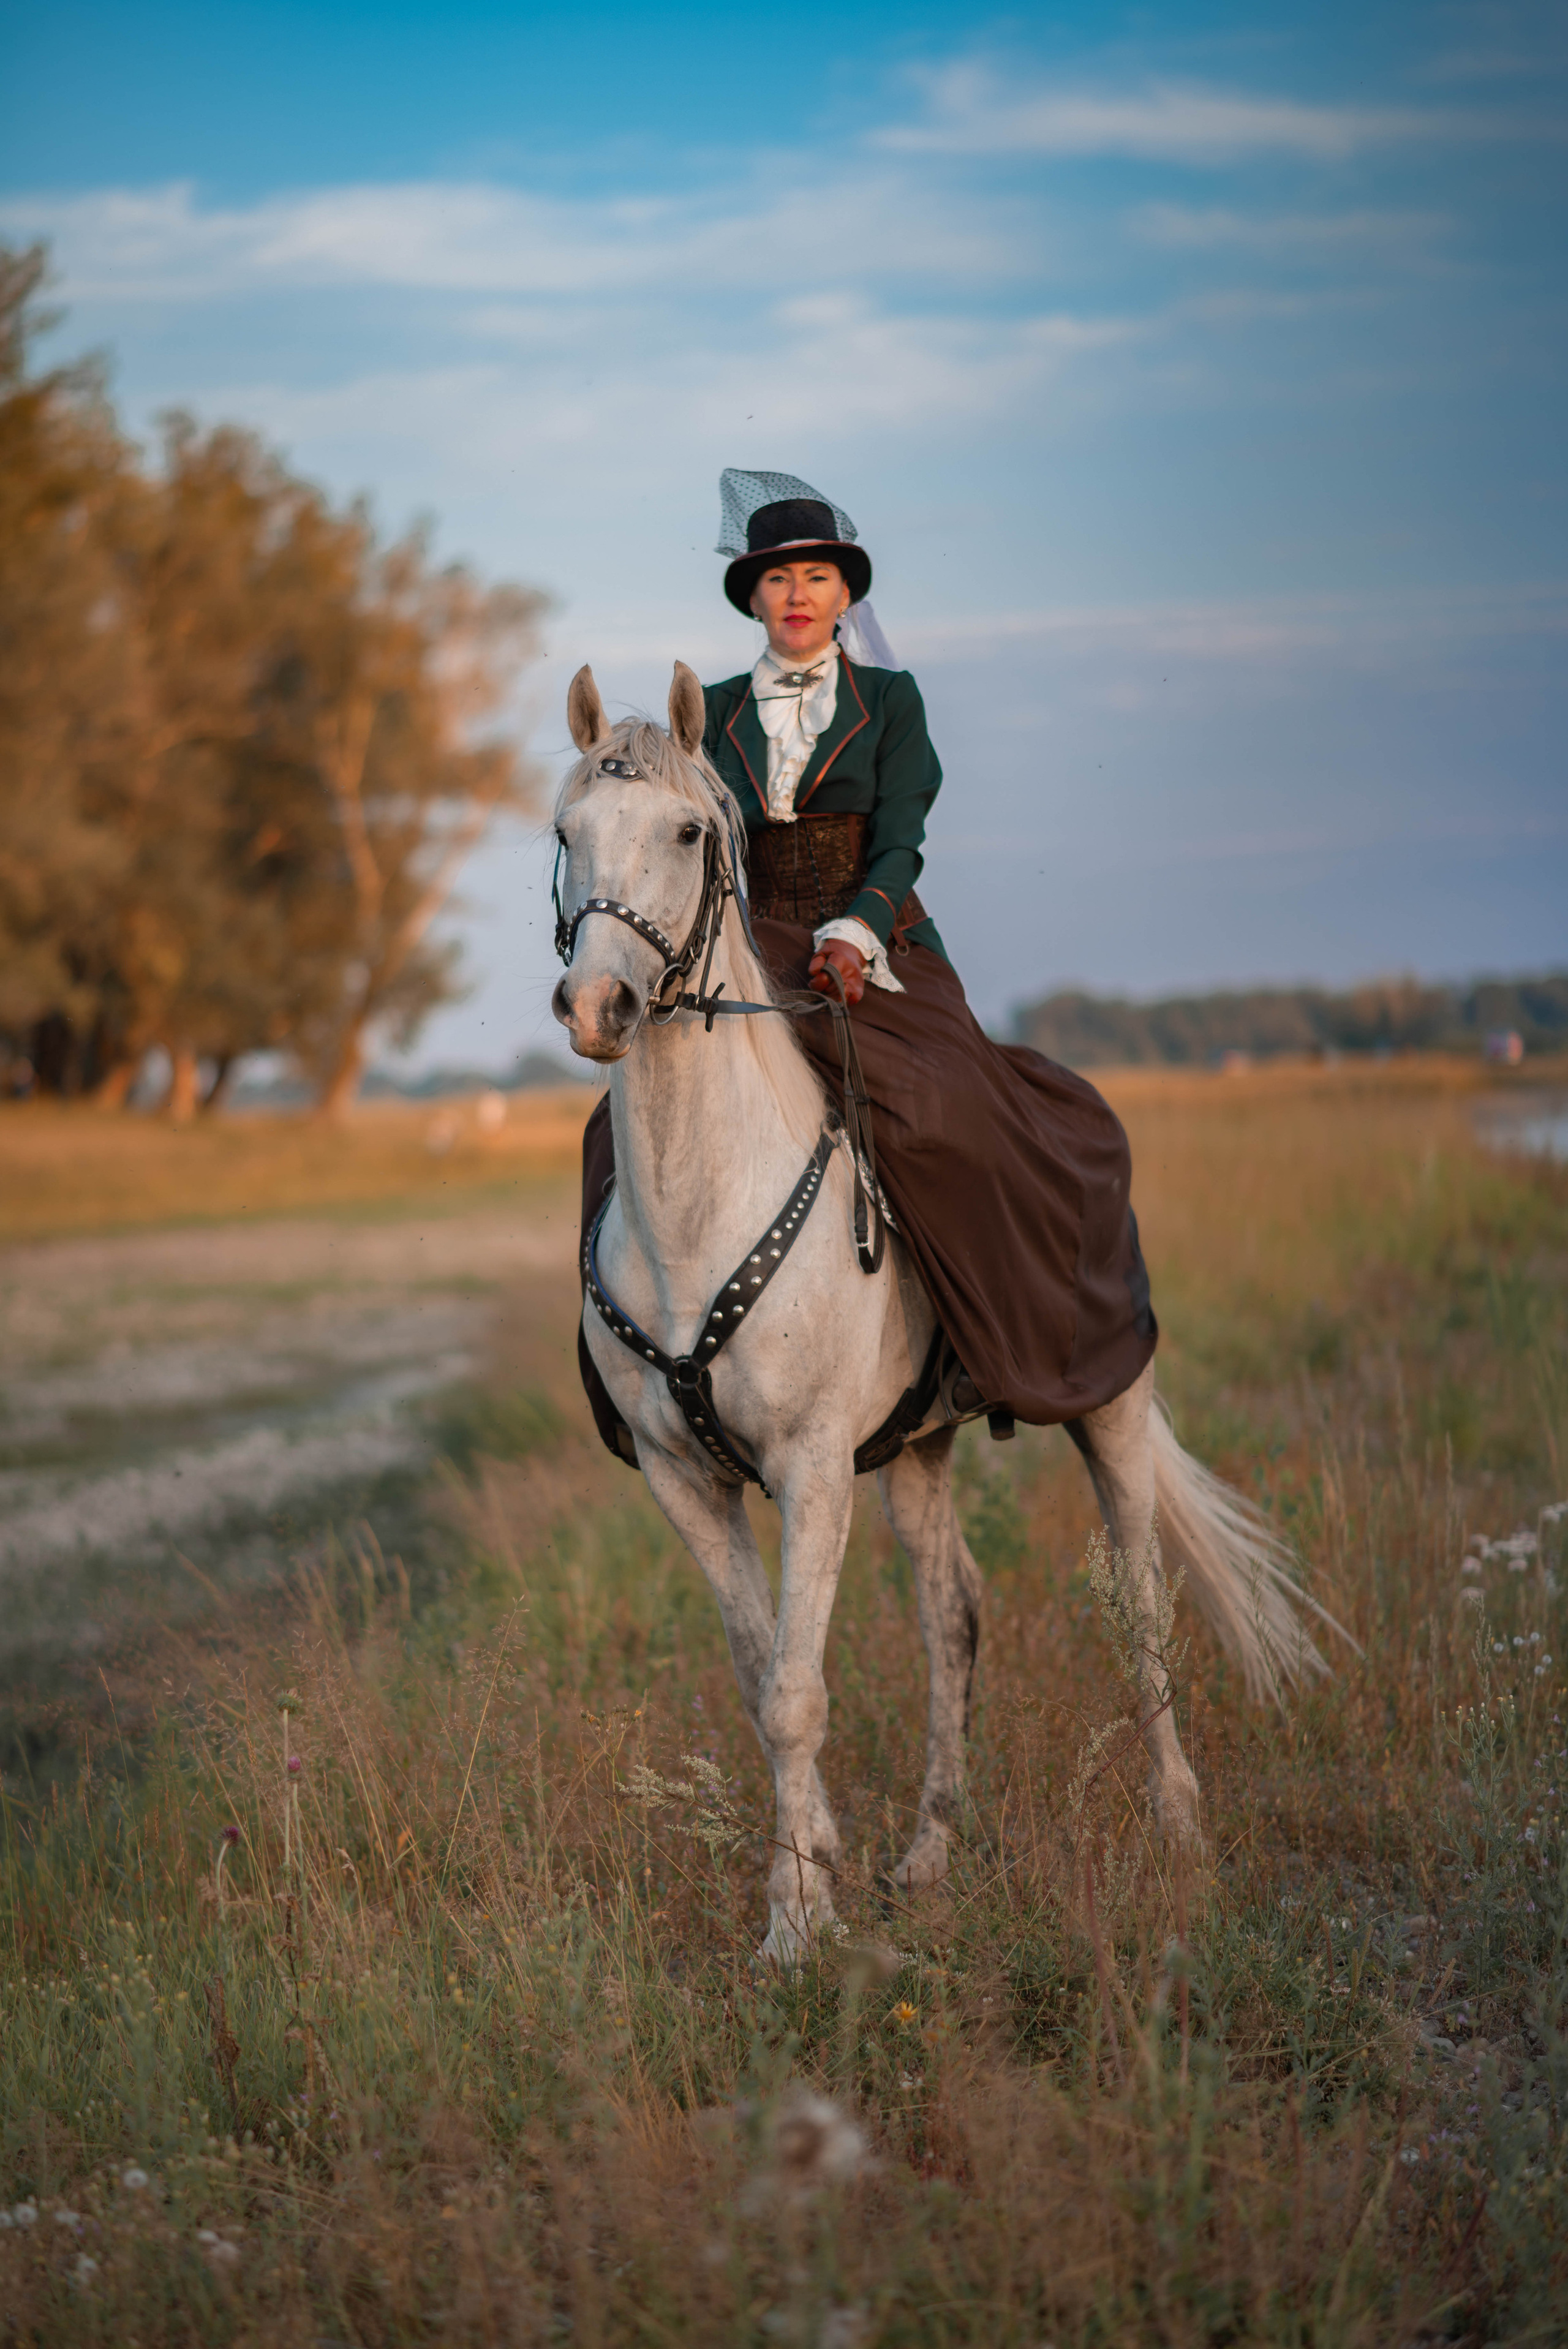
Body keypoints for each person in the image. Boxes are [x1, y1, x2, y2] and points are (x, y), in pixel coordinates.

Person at [576, 469, 1156, 1454]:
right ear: (753, 598)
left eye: (816, 576)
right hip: (756, 949)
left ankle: (973, 1343)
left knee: (941, 1108)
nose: (796, 594)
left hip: (880, 939)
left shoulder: (891, 700)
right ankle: (626, 1373)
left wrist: (860, 927)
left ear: (845, 593)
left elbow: (902, 837)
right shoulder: (708, 713)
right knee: (614, 1130)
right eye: (777, 579)